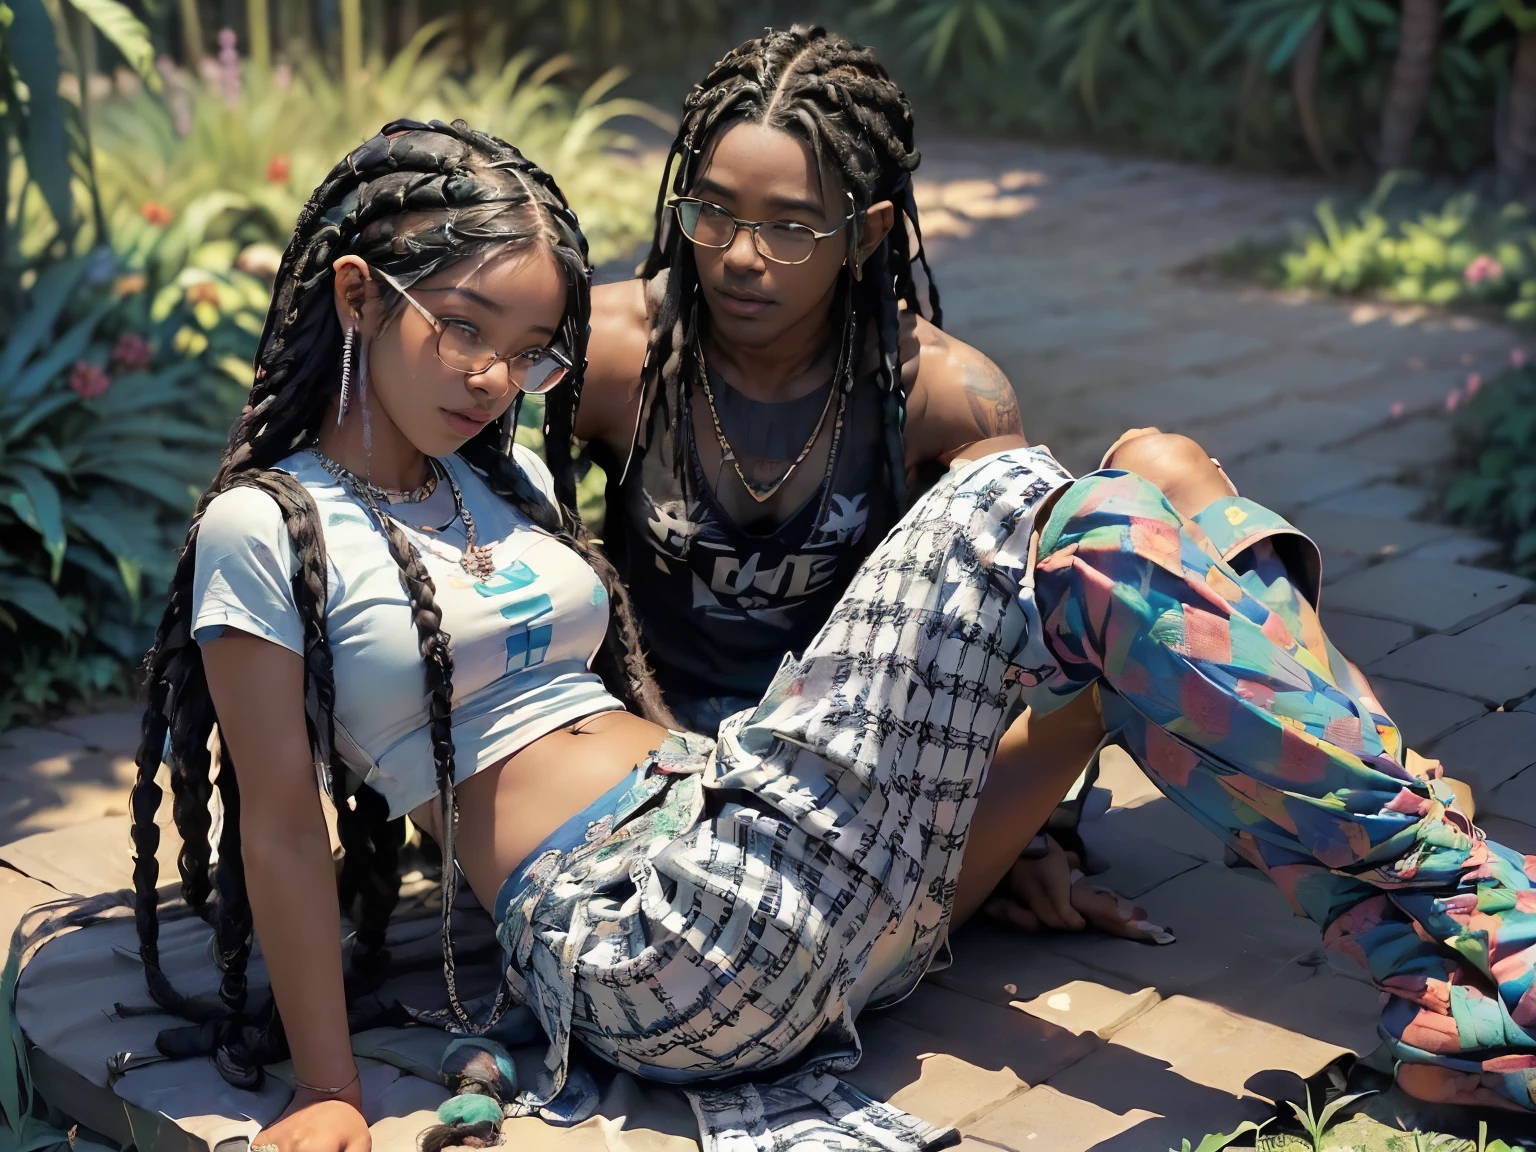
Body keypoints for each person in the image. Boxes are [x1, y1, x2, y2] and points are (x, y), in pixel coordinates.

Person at [110, 115, 1533, 1152]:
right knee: (1022, 503)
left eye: (534, 350)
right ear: (360, 292)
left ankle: (1450, 996)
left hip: (788, 892)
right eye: (465, 331)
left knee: (1133, 534)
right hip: (652, 941)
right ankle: (1491, 927)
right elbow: (284, 831)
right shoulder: (269, 530)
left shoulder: (500, 473)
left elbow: (626, 714)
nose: (499, 378)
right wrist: (329, 1092)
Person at [574, 27, 1219, 941]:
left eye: (792, 228)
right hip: (655, 755)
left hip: (853, 755)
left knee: (1158, 488)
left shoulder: (942, 394)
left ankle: (1367, 798)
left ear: (866, 233)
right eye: (713, 212)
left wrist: (1030, 838)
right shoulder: (614, 356)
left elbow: (998, 638)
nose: (742, 255)